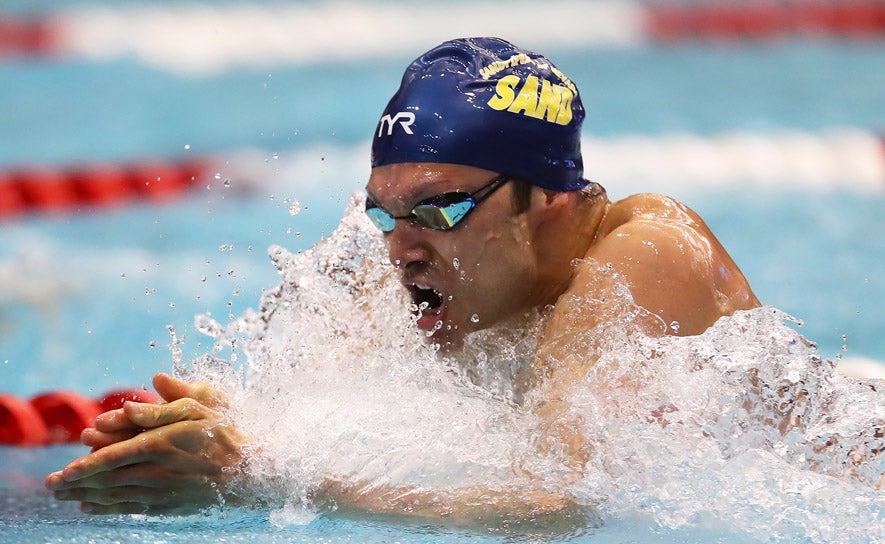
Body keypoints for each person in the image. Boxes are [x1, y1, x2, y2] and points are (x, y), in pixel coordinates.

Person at [45, 37, 760, 519]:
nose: (402, 251)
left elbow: (563, 509)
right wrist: (224, 431)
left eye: (438, 209)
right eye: (383, 216)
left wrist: (255, 478)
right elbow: (336, 413)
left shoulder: (648, 257)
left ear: (547, 199)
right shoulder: (440, 275)